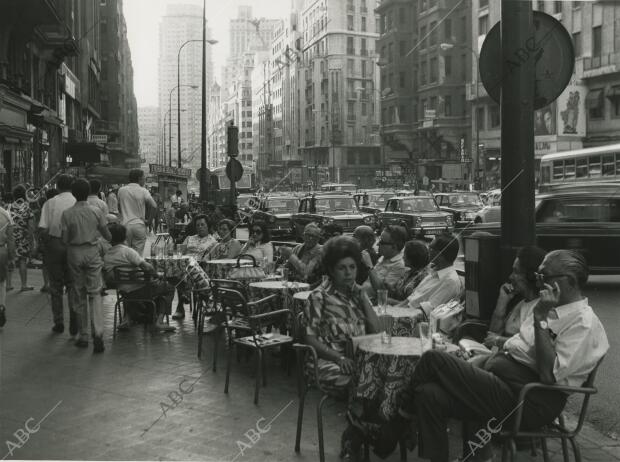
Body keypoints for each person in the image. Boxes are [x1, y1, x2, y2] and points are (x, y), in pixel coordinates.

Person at [378, 249, 609, 462]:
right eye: (538, 275)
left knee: (432, 359)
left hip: (528, 400)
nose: (538, 281)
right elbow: (512, 347)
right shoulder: (551, 308)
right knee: (429, 394)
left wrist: (539, 319)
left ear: (568, 281)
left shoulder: (583, 323)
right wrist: (485, 360)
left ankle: (394, 426)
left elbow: (549, 376)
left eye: (544, 276)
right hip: (503, 384)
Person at [303, 236, 380, 399]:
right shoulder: (319, 297)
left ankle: (364, 419)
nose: (348, 273)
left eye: (352, 267)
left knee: (385, 377)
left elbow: (378, 332)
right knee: (365, 380)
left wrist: (364, 299)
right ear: (331, 270)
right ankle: (360, 419)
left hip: (357, 360)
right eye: (342, 268)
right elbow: (310, 339)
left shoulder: (357, 295)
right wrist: (339, 358)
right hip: (326, 362)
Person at [61, 179, 111, 353]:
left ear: (74, 194)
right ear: (89, 191)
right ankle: (97, 334)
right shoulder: (96, 211)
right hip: (92, 252)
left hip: (74, 253)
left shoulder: (67, 214)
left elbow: (65, 239)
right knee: (95, 293)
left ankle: (83, 335)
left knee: (79, 293)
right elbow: (108, 235)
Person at [103, 224, 175, 332]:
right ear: (125, 237)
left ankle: (128, 318)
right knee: (169, 287)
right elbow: (147, 267)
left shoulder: (107, 255)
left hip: (124, 292)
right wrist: (157, 275)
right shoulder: (128, 251)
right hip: (141, 291)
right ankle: (159, 322)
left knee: (152, 287)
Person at [482, 245, 547, 349]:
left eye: (516, 272)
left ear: (530, 275)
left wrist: (498, 340)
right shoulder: (521, 303)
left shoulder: (540, 308)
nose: (510, 277)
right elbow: (492, 334)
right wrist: (502, 302)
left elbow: (528, 345)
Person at [39, 174, 78, 334]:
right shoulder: (78, 202)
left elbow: (43, 228)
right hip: (74, 246)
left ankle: (59, 321)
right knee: (72, 285)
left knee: (55, 285)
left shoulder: (50, 203)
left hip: (55, 245)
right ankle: (74, 319)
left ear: (58, 187)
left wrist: (48, 242)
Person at [398, 233, 463, 318]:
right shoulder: (433, 271)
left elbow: (425, 313)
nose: (427, 250)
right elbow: (409, 300)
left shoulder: (450, 281)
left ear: (440, 255)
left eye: (431, 248)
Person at [173, 214, 217, 320]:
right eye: (198, 225)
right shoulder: (189, 238)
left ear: (208, 226)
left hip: (201, 268)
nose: (200, 227)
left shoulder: (213, 241)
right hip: (185, 265)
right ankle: (184, 298)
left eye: (203, 224)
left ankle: (182, 302)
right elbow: (180, 253)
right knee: (180, 270)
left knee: (188, 269)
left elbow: (210, 258)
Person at [361, 225, 408, 302]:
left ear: (394, 246)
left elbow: (382, 292)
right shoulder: (384, 257)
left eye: (381, 242)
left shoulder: (399, 265)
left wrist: (369, 266)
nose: (377, 244)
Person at [118, 169, 156, 256]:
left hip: (125, 226)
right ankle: (135, 268)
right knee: (137, 256)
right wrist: (149, 221)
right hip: (139, 225)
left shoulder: (121, 190)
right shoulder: (143, 191)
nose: (144, 180)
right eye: (144, 178)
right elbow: (154, 206)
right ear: (139, 179)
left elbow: (119, 207)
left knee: (125, 253)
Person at [7, 184, 36, 292]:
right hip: (23, 239)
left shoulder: (8, 207)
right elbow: (31, 227)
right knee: (22, 261)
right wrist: (31, 240)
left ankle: (8, 284)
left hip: (10, 238)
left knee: (9, 261)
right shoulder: (27, 209)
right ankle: (24, 285)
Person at [0, 204, 16, 327]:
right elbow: (10, 239)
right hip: (1, 252)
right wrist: (11, 257)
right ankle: (1, 307)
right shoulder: (5, 214)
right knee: (1, 282)